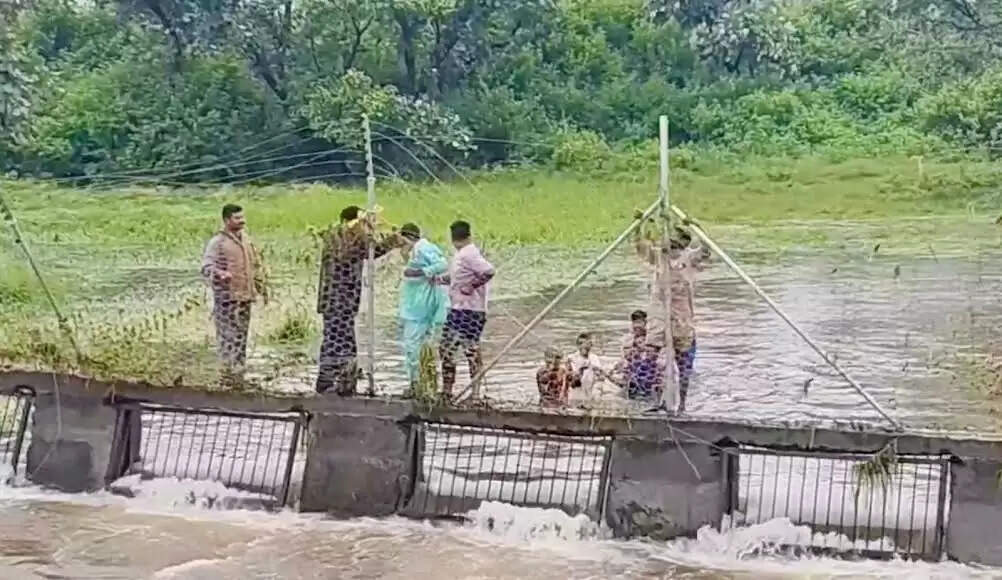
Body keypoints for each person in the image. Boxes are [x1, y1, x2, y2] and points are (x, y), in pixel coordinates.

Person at [316, 205, 403, 395]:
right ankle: (328, 383)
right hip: (335, 300)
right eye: (362, 223)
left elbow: (371, 252)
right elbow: (345, 253)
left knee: (346, 341)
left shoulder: (352, 238)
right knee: (334, 341)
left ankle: (345, 382)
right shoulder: (337, 236)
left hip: (347, 302)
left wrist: (392, 240)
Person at [634, 216, 710, 413]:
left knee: (683, 363)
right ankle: (657, 400)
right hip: (660, 311)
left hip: (682, 315)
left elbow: (707, 249)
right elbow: (641, 247)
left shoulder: (689, 258)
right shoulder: (660, 256)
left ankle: (682, 405)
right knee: (651, 355)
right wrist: (640, 225)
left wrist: (695, 225)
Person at [200, 204, 267, 385]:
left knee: (241, 336)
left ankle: (238, 372)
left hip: (245, 298)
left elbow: (255, 265)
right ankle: (226, 373)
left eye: (242, 217)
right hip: (227, 299)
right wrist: (220, 274)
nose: (242, 221)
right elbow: (206, 267)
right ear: (227, 220)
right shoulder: (217, 242)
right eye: (237, 218)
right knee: (227, 336)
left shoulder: (247, 240)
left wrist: (261, 286)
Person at [440, 220, 495, 401]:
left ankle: (475, 393)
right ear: (469, 234)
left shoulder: (468, 254)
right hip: (458, 309)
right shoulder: (462, 254)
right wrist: (441, 279)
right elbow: (459, 277)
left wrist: (471, 286)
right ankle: (448, 390)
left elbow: (488, 271)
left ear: (453, 238)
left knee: (470, 350)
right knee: (447, 348)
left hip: (470, 310)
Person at [398, 223, 450, 394]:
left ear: (407, 237)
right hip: (415, 304)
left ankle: (416, 384)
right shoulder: (414, 251)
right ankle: (425, 383)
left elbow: (442, 264)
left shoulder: (423, 247)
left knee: (412, 345)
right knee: (421, 345)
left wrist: (422, 272)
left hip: (420, 306)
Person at [567, 332, 607, 404]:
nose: (583, 346)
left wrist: (600, 375)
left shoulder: (594, 358)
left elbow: (601, 378)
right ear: (577, 345)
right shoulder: (571, 358)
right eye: (581, 343)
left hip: (590, 393)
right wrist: (580, 371)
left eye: (586, 343)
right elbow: (572, 384)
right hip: (576, 395)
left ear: (591, 345)